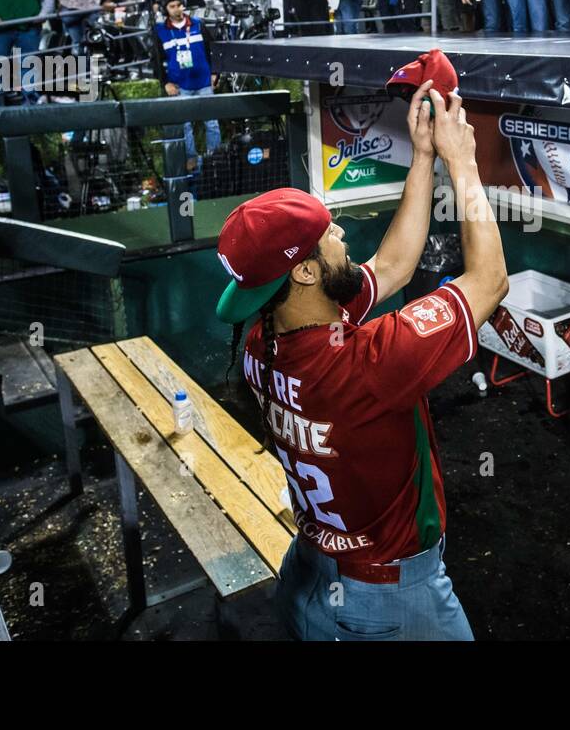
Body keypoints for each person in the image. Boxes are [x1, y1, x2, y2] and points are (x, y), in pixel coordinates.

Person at [217, 67, 508, 642]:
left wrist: (423, 155)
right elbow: (490, 280)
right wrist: (465, 163)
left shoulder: (265, 338)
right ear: (303, 271)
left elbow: (393, 267)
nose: (342, 235)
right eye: (329, 235)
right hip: (388, 602)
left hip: (310, 574)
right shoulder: (368, 362)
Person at [152, 0, 221, 169]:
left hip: (204, 82)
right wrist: (165, 82)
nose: (177, 9)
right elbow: (156, 61)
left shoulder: (198, 24)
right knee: (185, 126)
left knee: (212, 123)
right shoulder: (160, 31)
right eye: (172, 6)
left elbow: (212, 50)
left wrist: (215, 73)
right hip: (179, 85)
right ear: (166, 11)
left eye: (179, 5)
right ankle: (191, 159)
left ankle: (215, 158)